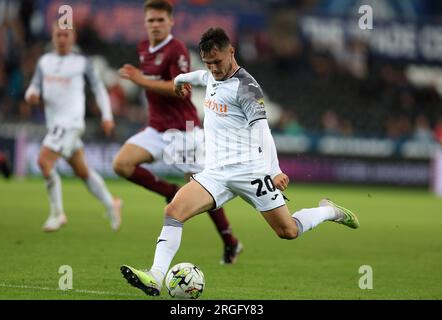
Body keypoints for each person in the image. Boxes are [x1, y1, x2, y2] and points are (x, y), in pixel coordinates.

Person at [120, 27, 360, 296]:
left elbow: (263, 131)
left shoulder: (247, 88)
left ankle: (329, 210)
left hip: (251, 172)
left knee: (288, 231)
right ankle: (155, 276)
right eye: (208, 62)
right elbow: (201, 76)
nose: (213, 68)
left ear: (231, 52)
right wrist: (180, 80)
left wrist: (275, 170)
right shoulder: (211, 74)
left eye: (217, 62)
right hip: (216, 172)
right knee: (174, 211)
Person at [112, 0, 242, 264]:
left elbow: (178, 86)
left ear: (171, 21)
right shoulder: (143, 48)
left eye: (161, 20)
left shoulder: (177, 49)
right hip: (157, 128)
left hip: (183, 130)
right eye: (151, 20)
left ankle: (230, 241)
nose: (156, 25)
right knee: (121, 164)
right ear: (145, 22)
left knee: (203, 188)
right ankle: (169, 191)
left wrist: (141, 81)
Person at [24, 22, 122, 232]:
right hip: (55, 125)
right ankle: (111, 203)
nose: (61, 38)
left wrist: (107, 116)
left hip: (71, 123)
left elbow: (99, 89)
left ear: (73, 38)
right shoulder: (45, 61)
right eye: (58, 34)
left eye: (65, 35)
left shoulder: (81, 62)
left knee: (44, 161)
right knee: (82, 171)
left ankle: (57, 213)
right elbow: (33, 87)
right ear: (52, 36)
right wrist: (31, 95)